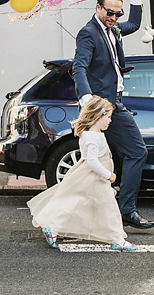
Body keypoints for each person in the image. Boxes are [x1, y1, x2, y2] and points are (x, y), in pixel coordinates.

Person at [72, 0, 154, 230]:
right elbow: (79, 67)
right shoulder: (88, 33)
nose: (114, 17)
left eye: (117, 13)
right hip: (103, 106)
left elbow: (134, 24)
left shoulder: (114, 28)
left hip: (114, 102)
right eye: (109, 12)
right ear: (98, 8)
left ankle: (91, 211)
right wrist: (87, 99)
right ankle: (126, 210)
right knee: (136, 152)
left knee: (98, 159)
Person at [27, 97, 136, 251]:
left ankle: (53, 227)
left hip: (89, 176)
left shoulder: (90, 134)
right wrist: (108, 175)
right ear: (98, 116)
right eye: (108, 117)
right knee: (109, 208)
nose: (110, 121)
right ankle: (117, 240)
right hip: (94, 178)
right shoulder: (93, 137)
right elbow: (92, 161)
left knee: (76, 203)